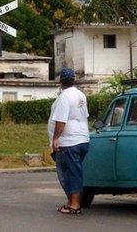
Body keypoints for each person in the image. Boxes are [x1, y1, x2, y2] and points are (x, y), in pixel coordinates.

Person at [48, 67, 90, 215]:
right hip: (82, 139)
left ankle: (75, 205)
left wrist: (55, 138)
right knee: (73, 171)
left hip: (69, 142)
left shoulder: (64, 97)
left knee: (69, 173)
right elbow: (84, 116)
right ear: (74, 80)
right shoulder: (81, 95)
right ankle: (71, 202)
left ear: (61, 82)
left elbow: (61, 120)